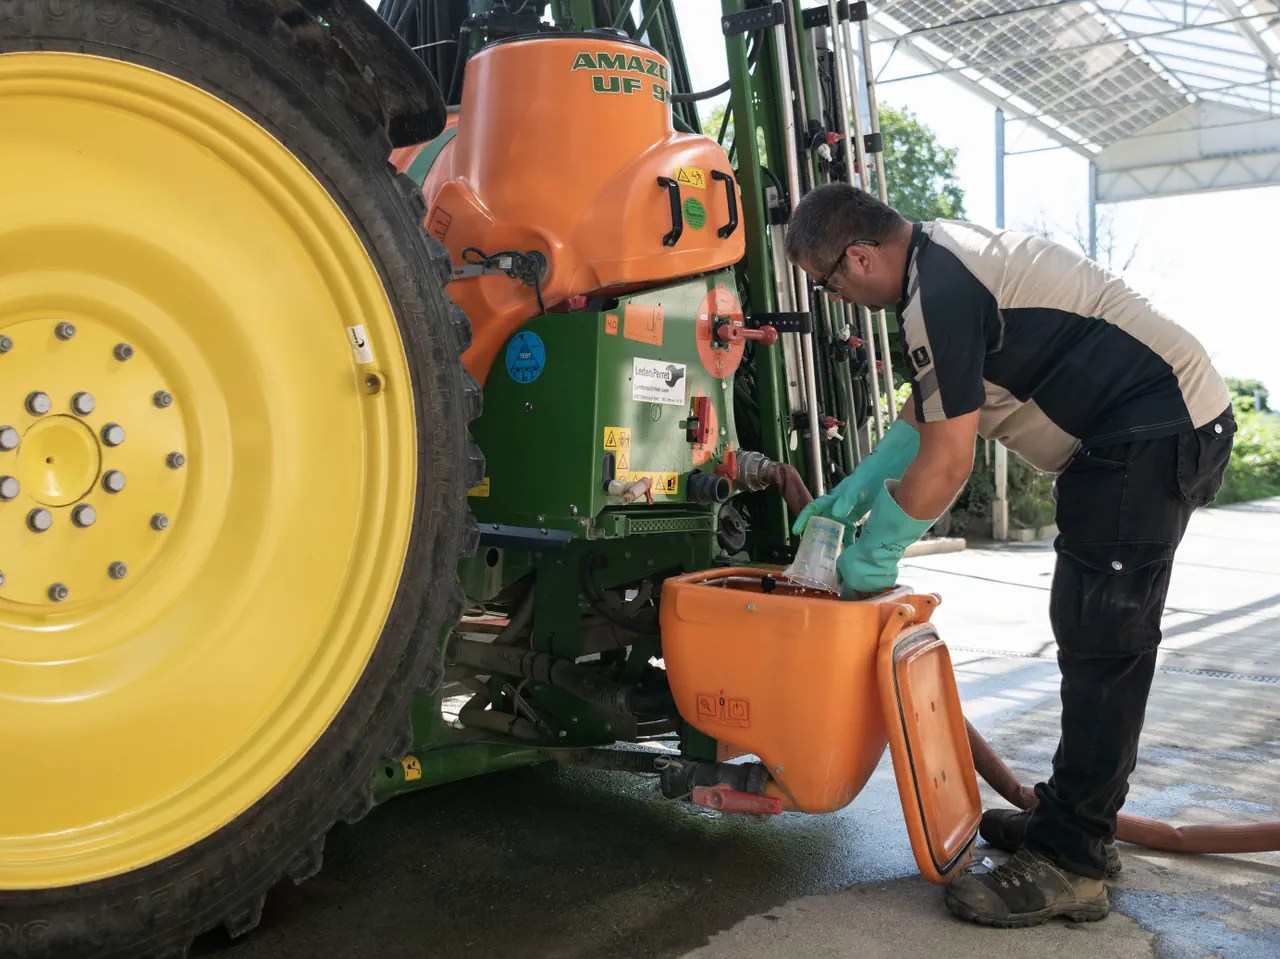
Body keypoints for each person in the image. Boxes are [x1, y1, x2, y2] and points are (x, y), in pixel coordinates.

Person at [787, 182, 1236, 928]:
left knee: (1103, 643)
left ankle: (1073, 861)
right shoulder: (941, 268)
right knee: (1088, 632)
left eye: (829, 281)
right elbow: (933, 412)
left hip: (1155, 426)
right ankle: (1071, 822)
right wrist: (858, 488)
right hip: (1136, 431)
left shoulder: (942, 285)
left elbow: (948, 460)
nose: (835, 296)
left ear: (859, 256)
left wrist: (875, 553)